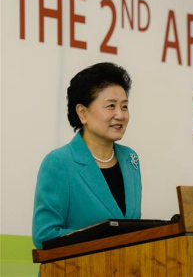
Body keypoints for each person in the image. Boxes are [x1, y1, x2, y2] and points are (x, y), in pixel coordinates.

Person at [32, 62, 142, 249]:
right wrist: (103, 237)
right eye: (110, 106)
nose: (120, 115)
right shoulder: (59, 162)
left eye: (124, 106)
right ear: (83, 113)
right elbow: (45, 236)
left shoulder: (130, 159)